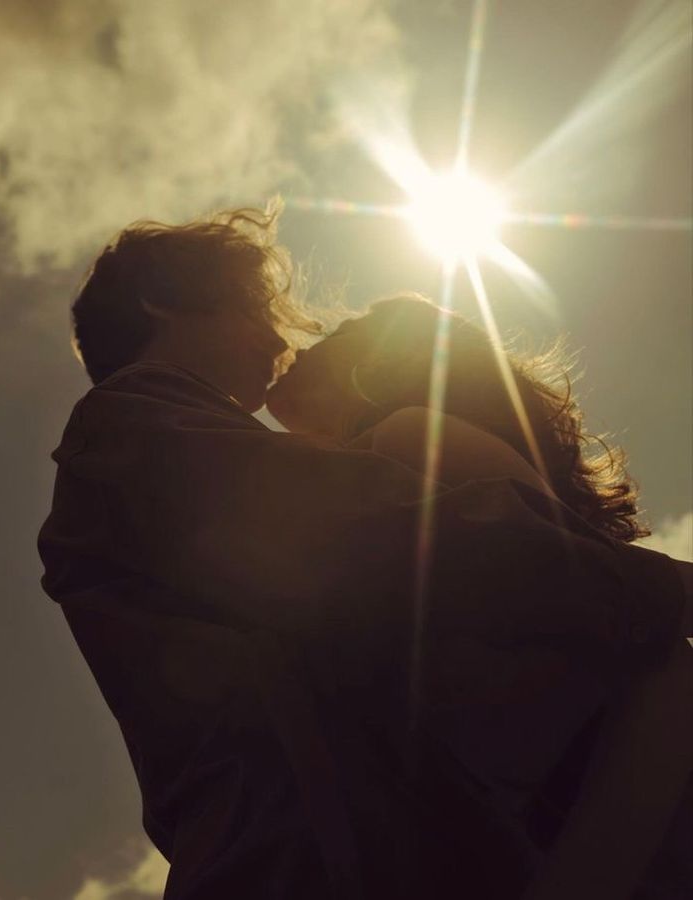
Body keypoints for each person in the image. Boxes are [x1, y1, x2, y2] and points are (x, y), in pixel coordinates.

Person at [39, 205, 690, 899]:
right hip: (303, 856)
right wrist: (657, 587)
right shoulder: (132, 429)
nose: (279, 338)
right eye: (257, 306)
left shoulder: (166, 446)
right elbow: (388, 539)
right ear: (163, 300)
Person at [266, 292, 693, 898]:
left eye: (346, 331)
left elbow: (627, 619)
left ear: (384, 363)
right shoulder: (364, 464)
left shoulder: (407, 435)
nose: (307, 344)